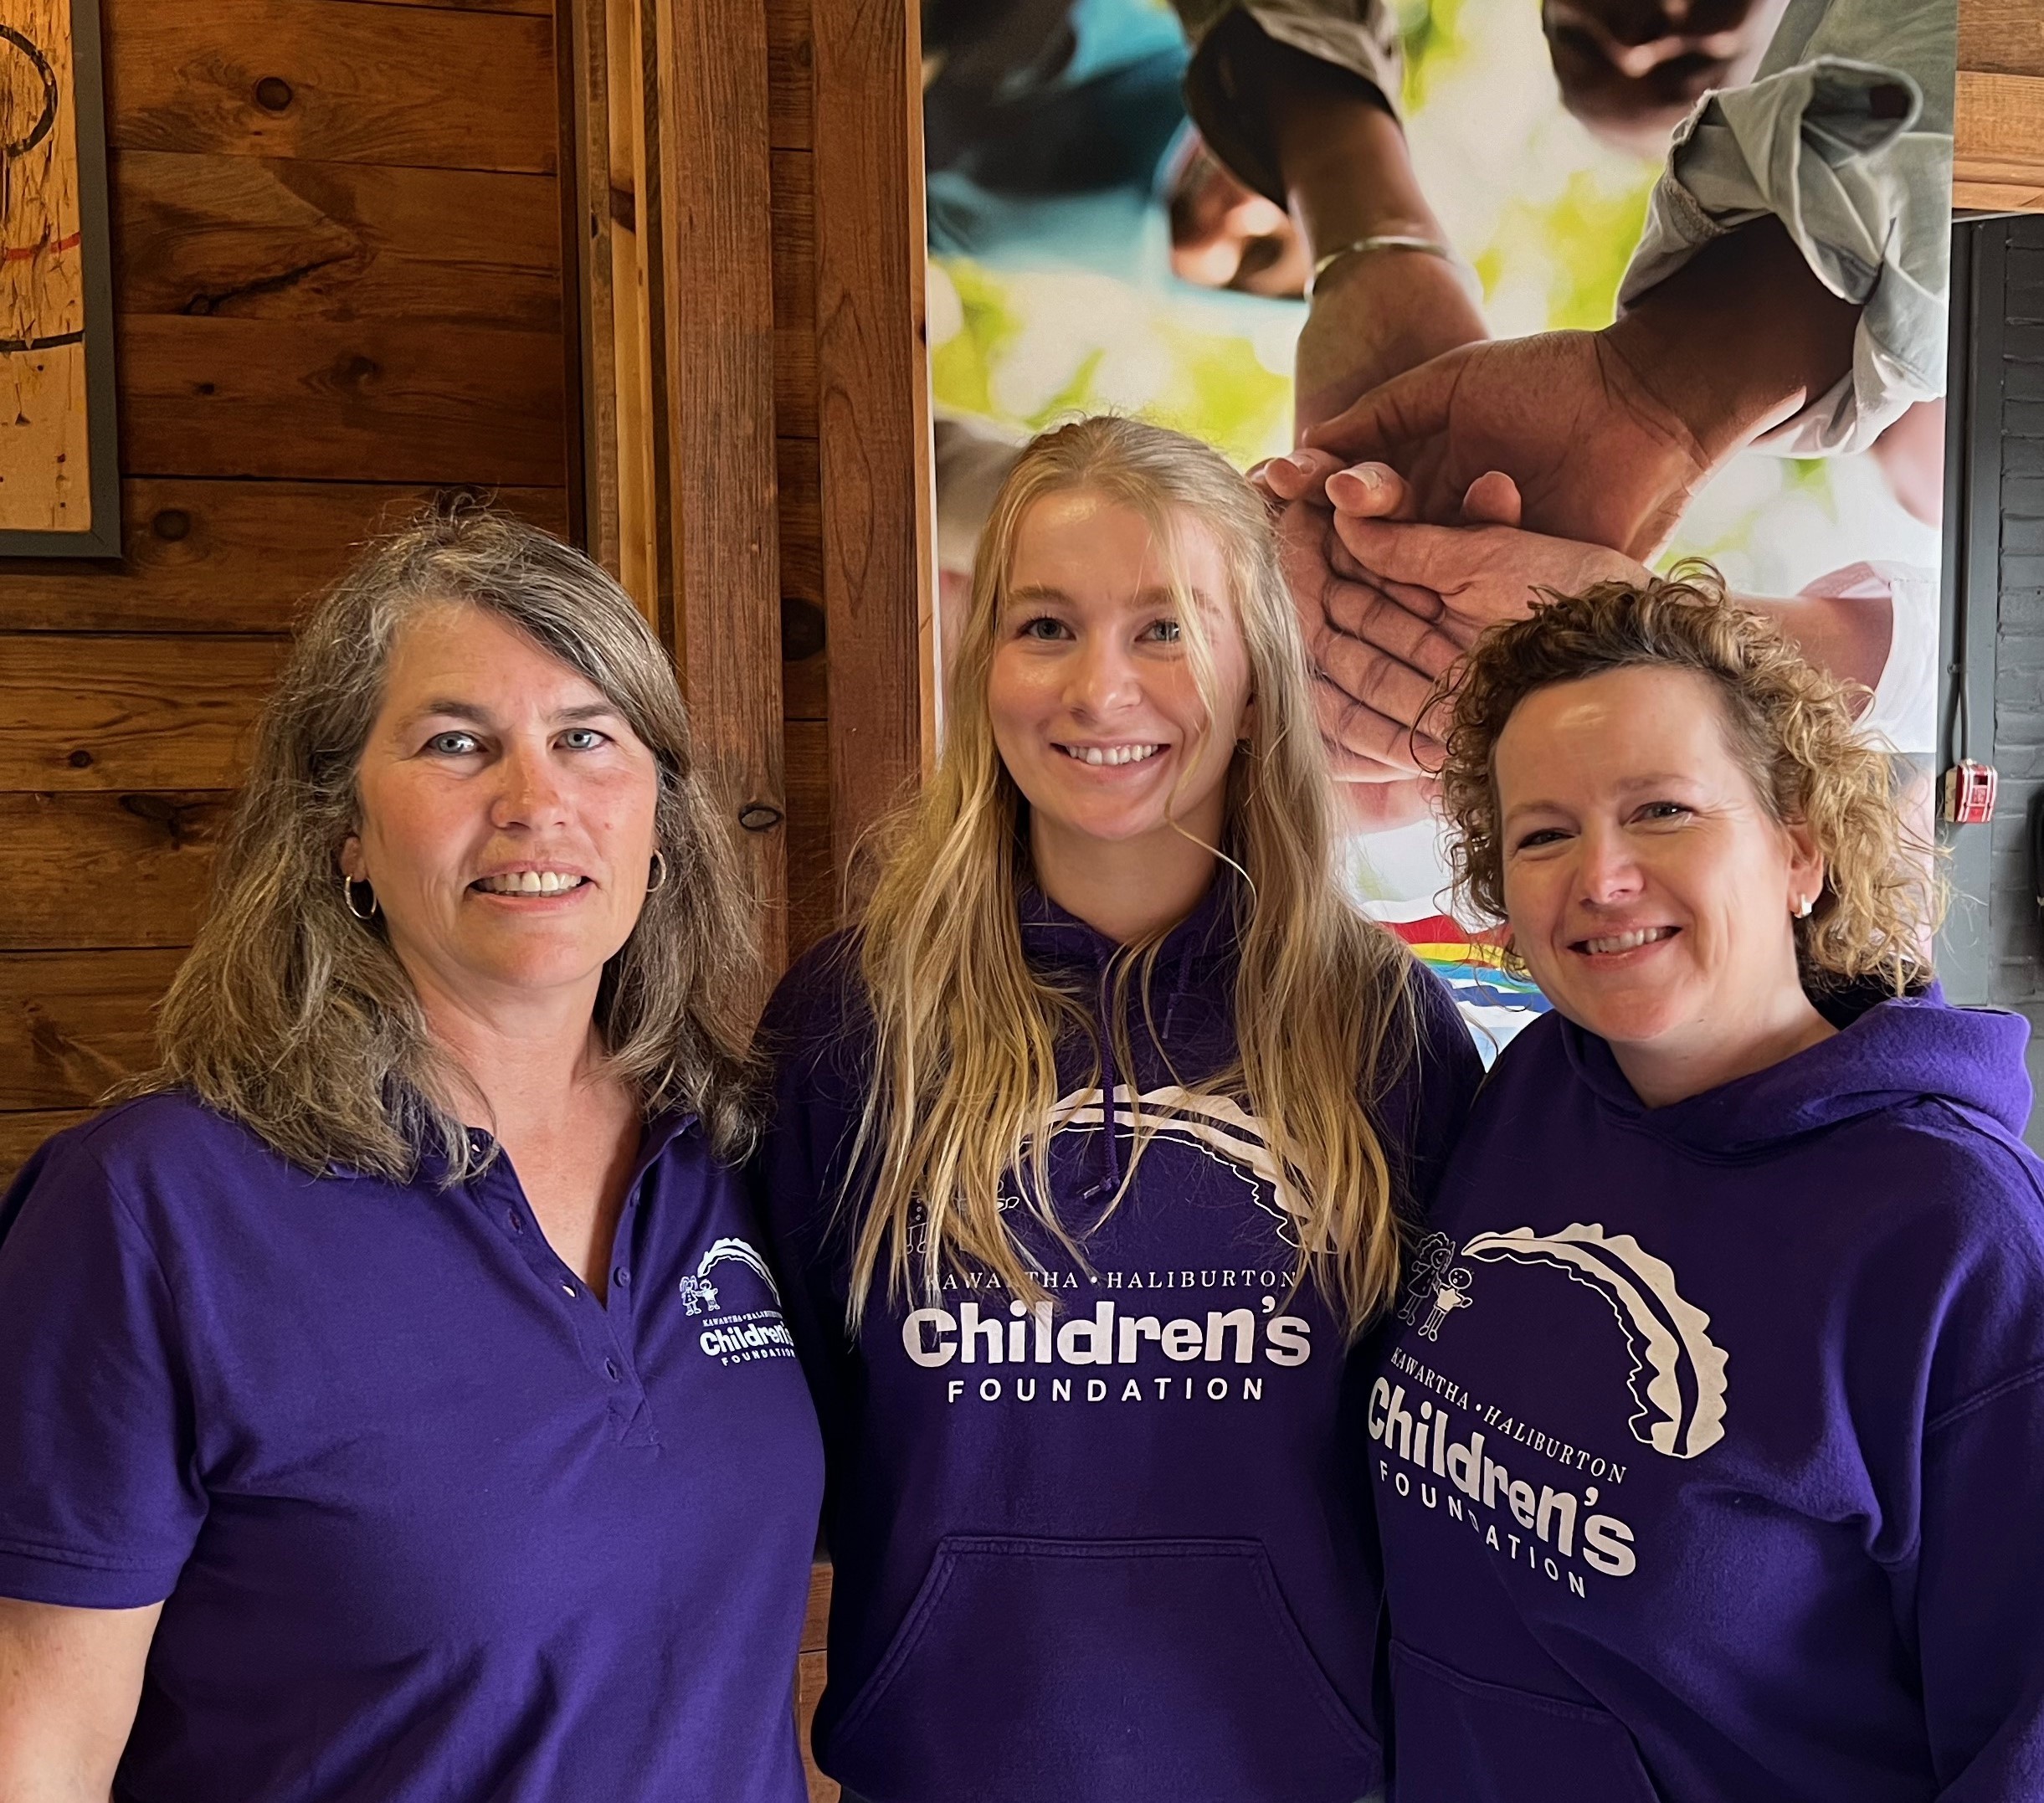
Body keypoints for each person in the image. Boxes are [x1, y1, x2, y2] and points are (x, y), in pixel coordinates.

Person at [0, 509, 825, 1802]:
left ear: (659, 816)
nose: (536, 802)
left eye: (586, 738)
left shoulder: (738, 1152)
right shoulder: (151, 1209)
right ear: (342, 827)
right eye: (456, 742)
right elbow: (36, 1748)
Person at [753, 415, 1484, 1803]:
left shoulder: (1379, 1023)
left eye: (1165, 629)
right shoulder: (855, 1018)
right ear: (984, 670)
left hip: (1294, 1773)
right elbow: (804, 1432)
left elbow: (1439, 1445)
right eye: (1045, 626)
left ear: (1256, 682)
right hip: (945, 1769)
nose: (1100, 688)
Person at [1367, 572, 2044, 1800]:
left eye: (1663, 810)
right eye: (1543, 833)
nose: (1601, 875)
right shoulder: (1534, 1089)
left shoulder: (1959, 1234)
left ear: (1800, 849)